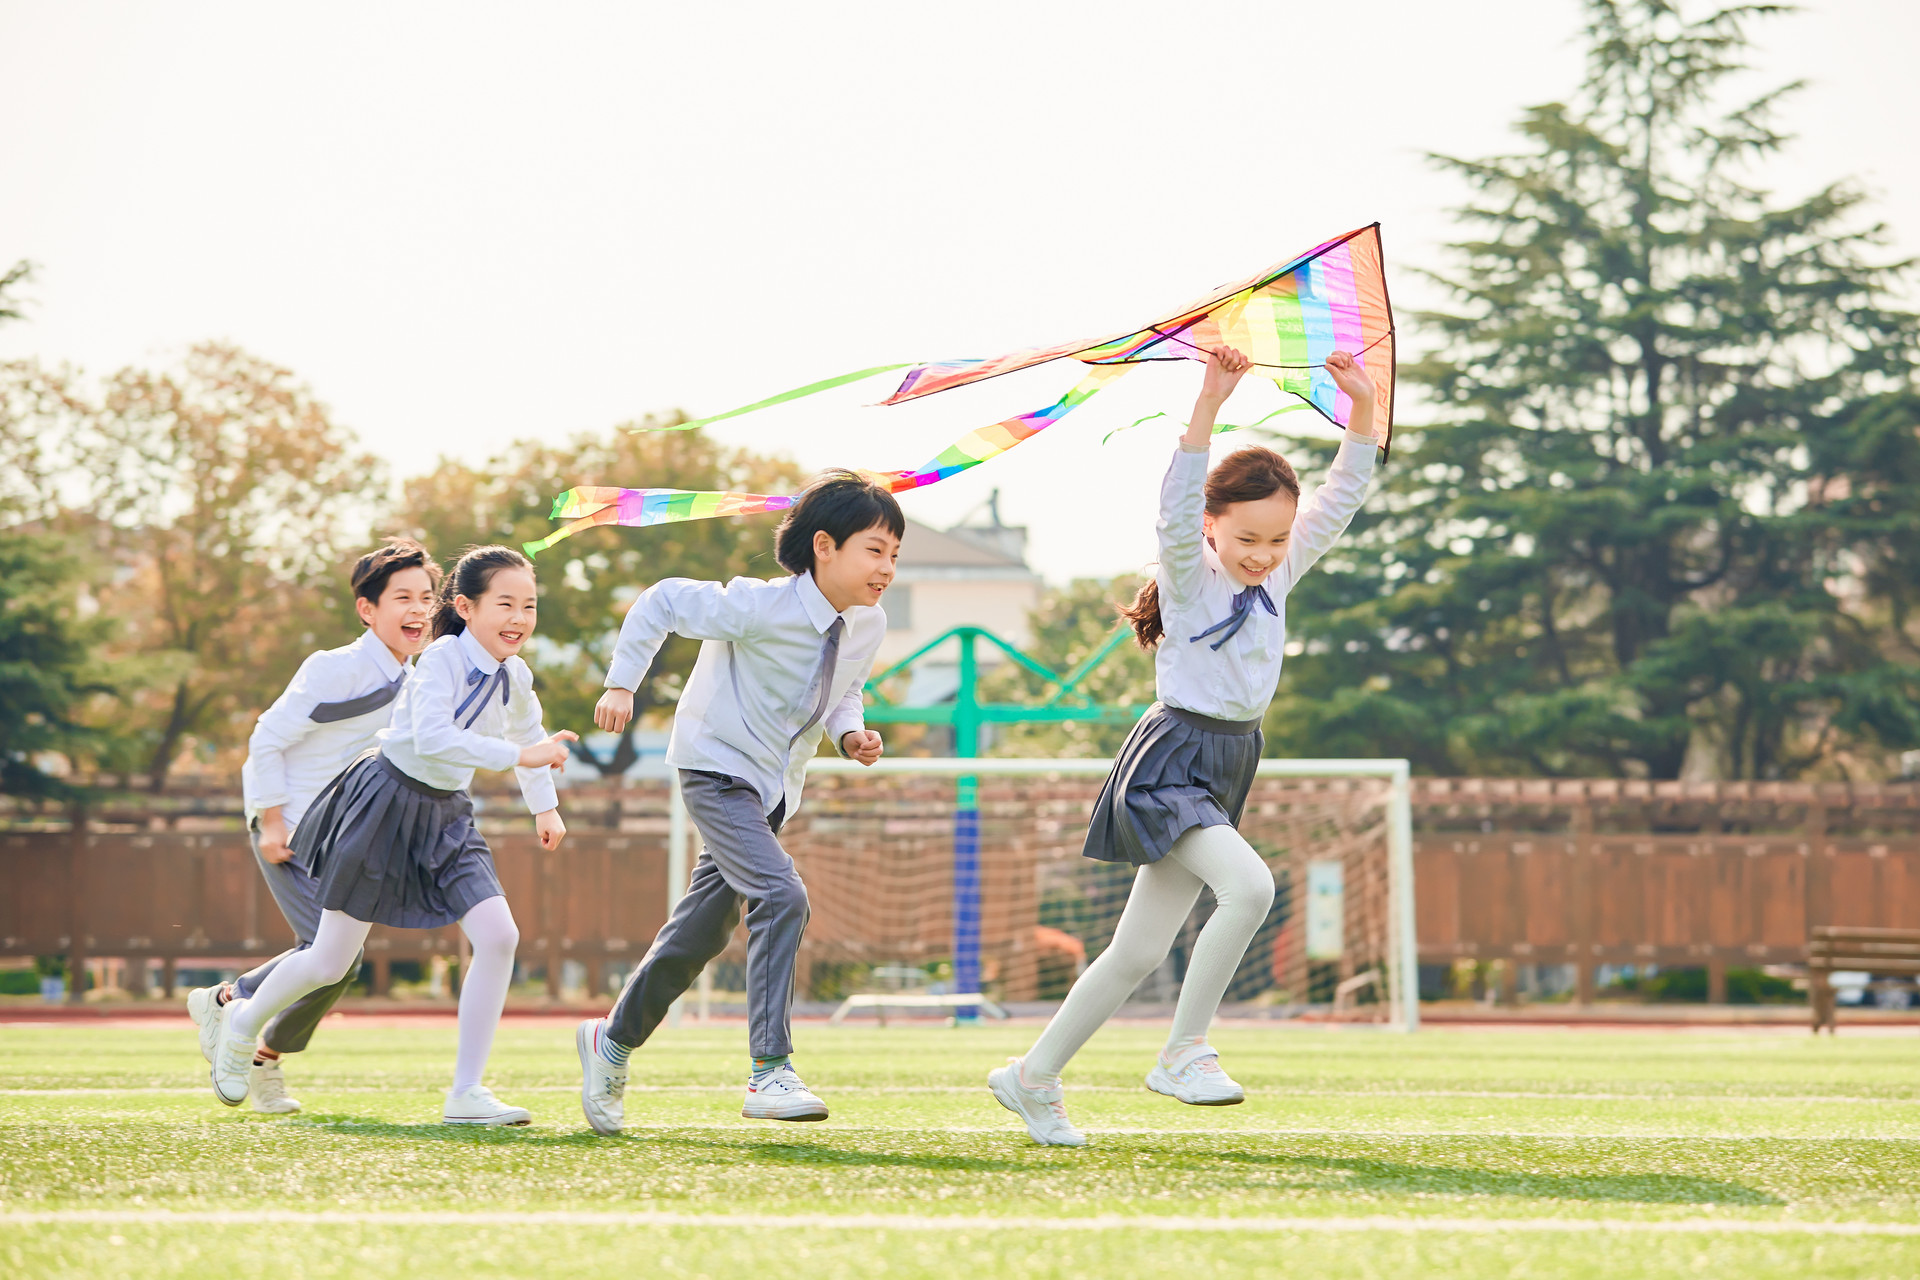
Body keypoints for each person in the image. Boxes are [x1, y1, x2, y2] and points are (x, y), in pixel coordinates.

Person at [989, 346, 1381, 1146]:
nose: (1262, 554)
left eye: (1276, 540)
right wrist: (1210, 399)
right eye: (1247, 538)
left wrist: (1364, 409)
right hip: (1172, 760)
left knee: (1135, 952)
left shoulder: (1279, 573)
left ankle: (1030, 1077)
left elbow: (1341, 497)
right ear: (1214, 526)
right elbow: (1173, 504)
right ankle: (1184, 1050)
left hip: (1230, 758)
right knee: (1252, 889)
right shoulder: (1189, 573)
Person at [206, 545, 578, 1125]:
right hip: (383, 803)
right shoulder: (439, 660)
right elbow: (433, 739)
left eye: (529, 606)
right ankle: (243, 1022)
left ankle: (466, 1093)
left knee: (500, 936)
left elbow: (531, 731)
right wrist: (520, 755)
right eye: (505, 604)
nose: (519, 619)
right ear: (466, 607)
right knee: (330, 960)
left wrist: (545, 809)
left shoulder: (516, 673)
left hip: (449, 814)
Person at [574, 471, 898, 1135]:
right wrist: (621, 685)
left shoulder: (868, 623)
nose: (887, 567)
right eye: (875, 550)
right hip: (716, 771)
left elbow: (844, 687)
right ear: (824, 547)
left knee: (697, 936)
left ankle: (610, 1043)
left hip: (773, 792)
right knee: (783, 896)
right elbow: (661, 601)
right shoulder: (757, 605)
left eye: (895, 554)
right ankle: (769, 1070)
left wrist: (851, 734)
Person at [187, 538, 438, 1114]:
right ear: (367, 610)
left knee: (333, 963)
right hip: (292, 828)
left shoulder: (419, 680)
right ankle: (242, 1022)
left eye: (426, 596)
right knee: (332, 958)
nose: (418, 608)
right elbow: (267, 738)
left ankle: (235, 1014)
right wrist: (272, 821)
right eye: (402, 596)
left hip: (342, 839)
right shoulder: (335, 668)